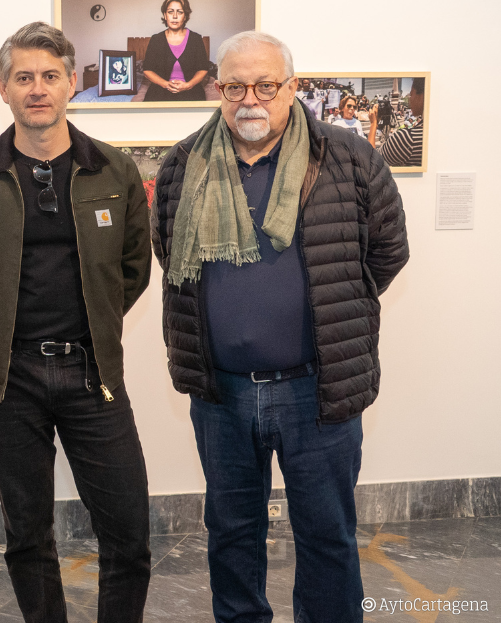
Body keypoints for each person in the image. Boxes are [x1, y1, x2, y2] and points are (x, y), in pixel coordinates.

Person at [150, 31, 409, 623]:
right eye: (235, 86)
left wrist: (335, 308)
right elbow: (169, 253)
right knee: (231, 535)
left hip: (317, 390)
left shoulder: (349, 159)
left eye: (266, 86)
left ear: (292, 88)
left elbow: (387, 251)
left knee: (327, 537)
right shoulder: (183, 165)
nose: (250, 99)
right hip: (222, 395)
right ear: (217, 90)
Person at [0, 22, 153, 622]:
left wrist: (95, 323)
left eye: (50, 76)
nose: (37, 89)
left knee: (129, 532)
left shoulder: (113, 170)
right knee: (28, 534)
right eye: (24, 77)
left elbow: (134, 268)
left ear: (70, 84)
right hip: (9, 379)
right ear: (3, 88)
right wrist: (0, 329)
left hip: (92, 373)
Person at [141, 0, 211, 102]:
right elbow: (147, 70)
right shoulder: (156, 39)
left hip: (191, 91)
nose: (174, 16)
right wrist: (165, 84)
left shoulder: (196, 39)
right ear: (165, 15)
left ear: (185, 16)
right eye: (170, 12)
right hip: (160, 91)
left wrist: (188, 85)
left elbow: (203, 69)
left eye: (180, 12)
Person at [371, 77, 425, 168]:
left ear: (422, 96)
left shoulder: (407, 138)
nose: (410, 100)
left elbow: (372, 162)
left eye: (411, 94)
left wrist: (373, 123)